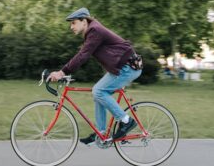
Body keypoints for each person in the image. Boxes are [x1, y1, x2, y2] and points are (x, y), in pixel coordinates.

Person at [47, 8, 143, 145]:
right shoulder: (92, 31)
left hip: (127, 68)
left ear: (84, 21)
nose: (71, 27)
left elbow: (82, 55)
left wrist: (62, 72)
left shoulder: (94, 30)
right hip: (121, 67)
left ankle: (126, 121)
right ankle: (101, 133)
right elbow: (84, 54)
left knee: (98, 91)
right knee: (98, 93)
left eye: (73, 23)